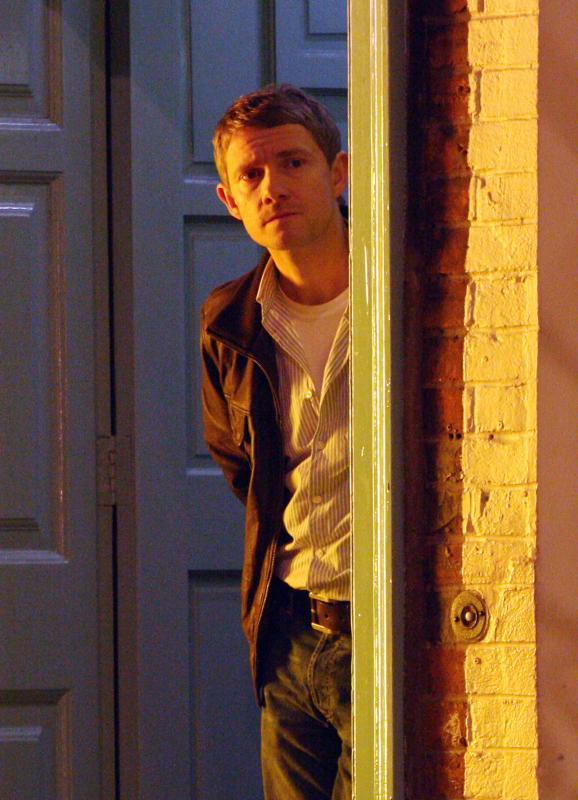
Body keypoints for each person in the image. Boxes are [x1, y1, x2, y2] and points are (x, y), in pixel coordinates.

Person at [200, 84, 351, 800]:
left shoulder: (406, 287)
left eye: (293, 163)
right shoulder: (230, 320)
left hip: (386, 628)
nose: (274, 188)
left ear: (338, 172)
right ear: (230, 200)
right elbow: (242, 466)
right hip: (289, 633)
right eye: (252, 174)